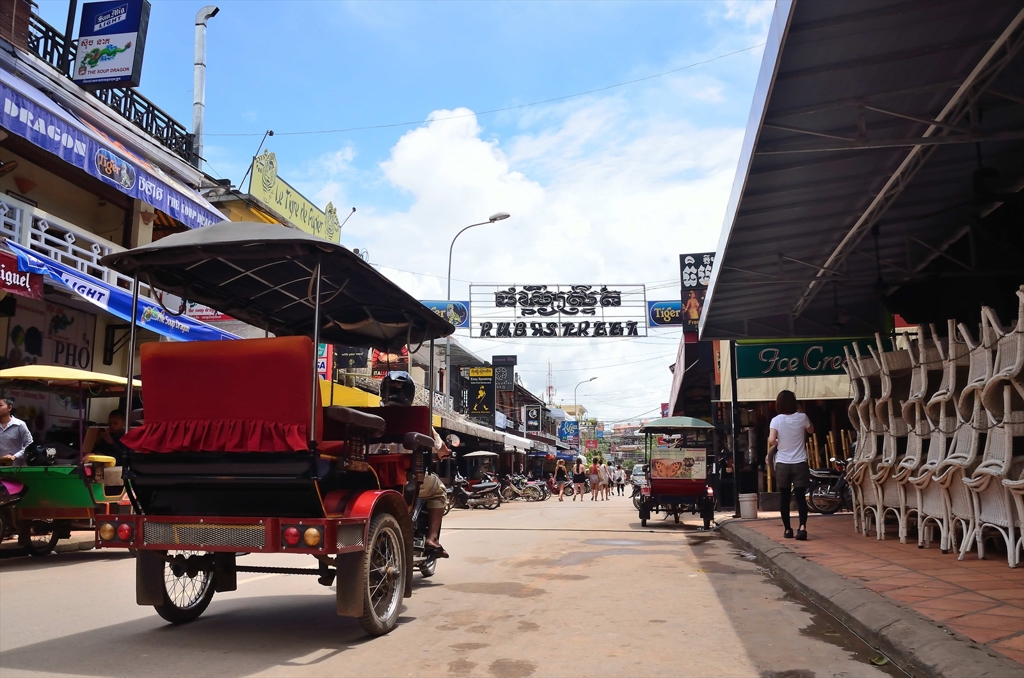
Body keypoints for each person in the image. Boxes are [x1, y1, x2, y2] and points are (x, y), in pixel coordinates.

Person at [767, 390, 813, 541]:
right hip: (800, 462)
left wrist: (778, 442)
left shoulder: (776, 420)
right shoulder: (802, 417)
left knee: (784, 497)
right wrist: (801, 412)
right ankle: (802, 528)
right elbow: (811, 430)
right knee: (800, 497)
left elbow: (772, 440)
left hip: (783, 464)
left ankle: (787, 529)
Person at [0, 397, 32, 466]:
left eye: (0, 405)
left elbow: (29, 445)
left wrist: (15, 456)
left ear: (9, 408)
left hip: (16, 468)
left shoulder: (20, 425)